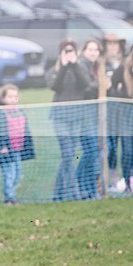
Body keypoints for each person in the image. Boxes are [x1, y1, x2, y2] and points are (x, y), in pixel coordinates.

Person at [46, 39, 96, 202]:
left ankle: (58, 194)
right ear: (60, 54)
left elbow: (86, 84)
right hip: (60, 117)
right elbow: (55, 86)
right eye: (65, 51)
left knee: (69, 155)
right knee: (67, 154)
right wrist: (64, 66)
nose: (69, 54)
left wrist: (74, 65)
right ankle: (73, 191)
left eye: (71, 51)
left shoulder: (80, 68)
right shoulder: (53, 70)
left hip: (76, 117)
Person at [0, 84, 35, 204]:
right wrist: (2, 146)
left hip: (18, 149)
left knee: (18, 175)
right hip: (6, 150)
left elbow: (25, 129)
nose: (13, 99)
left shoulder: (20, 111)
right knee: (9, 174)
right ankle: (9, 198)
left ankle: (11, 195)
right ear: (3, 98)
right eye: (10, 96)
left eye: (15, 97)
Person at [76, 39, 103, 199]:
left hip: (92, 115)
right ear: (84, 50)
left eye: (96, 50)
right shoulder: (82, 65)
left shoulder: (94, 67)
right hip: (83, 115)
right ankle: (82, 184)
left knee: (93, 151)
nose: (93, 52)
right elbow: (85, 87)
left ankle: (88, 187)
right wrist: (100, 84)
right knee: (91, 151)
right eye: (90, 49)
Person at [110, 41, 133, 194]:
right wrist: (122, 96)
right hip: (126, 114)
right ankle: (126, 182)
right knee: (127, 150)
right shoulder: (124, 67)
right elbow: (112, 87)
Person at [103, 32, 127, 190]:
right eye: (109, 44)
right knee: (110, 146)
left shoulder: (126, 63)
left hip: (124, 110)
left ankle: (127, 179)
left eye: (115, 44)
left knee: (127, 145)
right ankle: (112, 178)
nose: (112, 47)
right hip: (108, 111)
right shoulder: (102, 64)